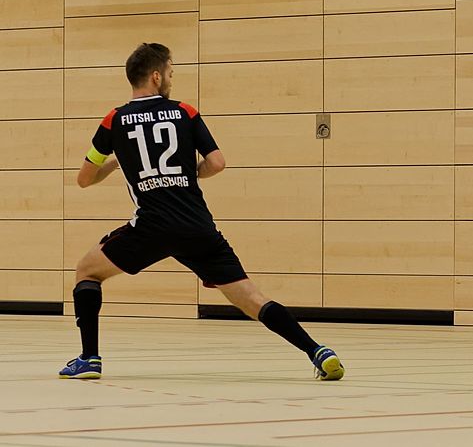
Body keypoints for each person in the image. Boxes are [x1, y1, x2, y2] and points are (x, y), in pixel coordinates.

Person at [59, 43, 344, 381]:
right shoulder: (185, 112)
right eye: (170, 73)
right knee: (251, 298)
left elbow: (84, 179)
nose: (171, 79)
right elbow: (217, 163)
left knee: (87, 271)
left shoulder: (113, 121)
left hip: (151, 226)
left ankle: (89, 359)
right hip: (197, 226)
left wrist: (116, 161)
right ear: (155, 76)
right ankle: (317, 351)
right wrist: (187, 173)